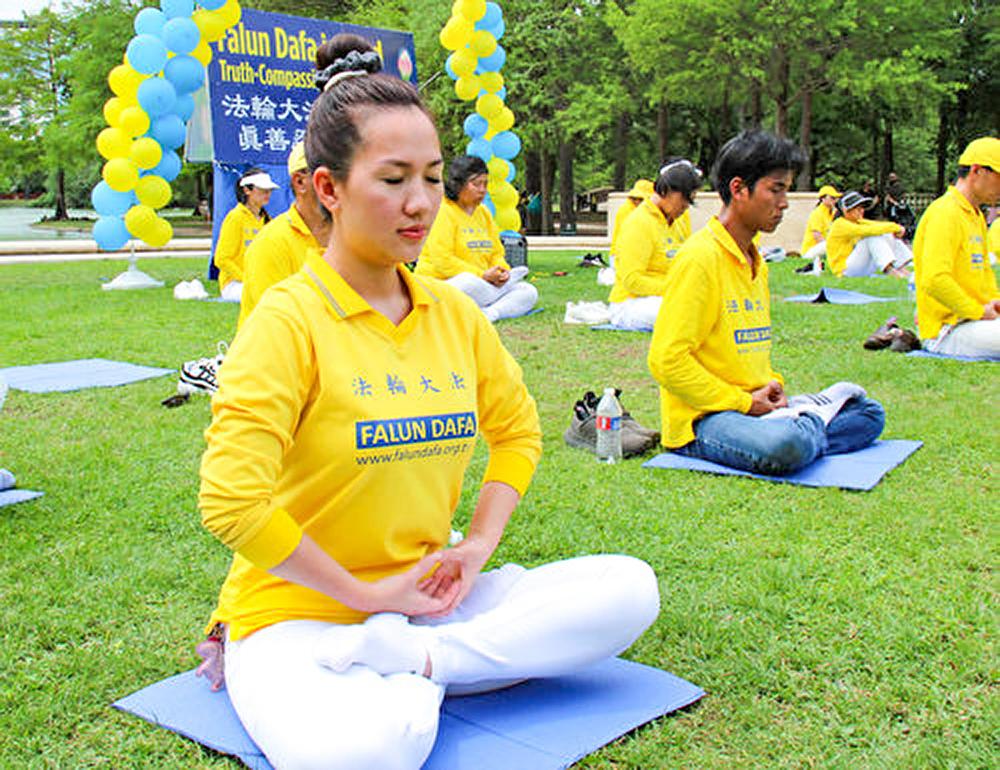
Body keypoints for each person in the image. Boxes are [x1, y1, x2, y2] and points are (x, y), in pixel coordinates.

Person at [196, 35, 660, 770]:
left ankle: (425, 663)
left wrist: (473, 549)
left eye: (433, 177)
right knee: (370, 752)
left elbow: (517, 433)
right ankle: (422, 665)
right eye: (392, 179)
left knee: (629, 590)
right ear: (329, 188)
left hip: (429, 595)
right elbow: (231, 505)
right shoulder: (287, 321)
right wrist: (363, 592)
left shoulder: (455, 314)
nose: (420, 204)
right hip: (297, 615)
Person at [647, 131, 885, 475]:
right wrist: (743, 402)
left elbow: (745, 349)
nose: (784, 203)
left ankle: (805, 418)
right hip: (704, 419)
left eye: (786, 190)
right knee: (787, 445)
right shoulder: (700, 258)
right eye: (776, 190)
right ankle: (810, 420)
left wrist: (769, 386)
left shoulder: (754, 260)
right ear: (738, 189)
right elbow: (666, 361)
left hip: (754, 406)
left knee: (869, 415)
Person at [414, 155, 538, 321]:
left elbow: (496, 252)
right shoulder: (442, 211)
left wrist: (501, 271)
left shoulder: (484, 213)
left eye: (485, 184)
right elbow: (442, 261)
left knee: (528, 291)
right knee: (468, 282)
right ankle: (487, 301)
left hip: (484, 283)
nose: (482, 190)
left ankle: (489, 313)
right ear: (458, 185)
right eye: (476, 184)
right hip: (444, 284)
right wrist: (482, 275)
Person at [911, 136, 1000, 358]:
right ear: (977, 171)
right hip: (949, 330)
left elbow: (981, 275)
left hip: (974, 321)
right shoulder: (945, 212)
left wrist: (993, 302)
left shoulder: (975, 215)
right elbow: (935, 279)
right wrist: (978, 311)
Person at [237, 142, 331, 328]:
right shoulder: (271, 244)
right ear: (300, 182)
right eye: (332, 177)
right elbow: (273, 329)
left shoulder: (358, 237)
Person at [606, 159, 701, 331]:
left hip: (666, 295)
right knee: (683, 312)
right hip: (630, 304)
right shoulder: (639, 222)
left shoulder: (676, 222)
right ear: (669, 191)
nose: (687, 207)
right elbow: (632, 280)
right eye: (685, 199)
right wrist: (674, 288)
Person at [214, 168, 278, 302]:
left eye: (269, 190)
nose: (267, 194)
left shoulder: (267, 219)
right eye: (262, 189)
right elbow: (222, 258)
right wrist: (246, 278)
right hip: (235, 284)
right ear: (247, 190)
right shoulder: (235, 218)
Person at [825, 190, 912, 278]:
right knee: (871, 237)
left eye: (862, 208)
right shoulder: (839, 224)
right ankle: (889, 270)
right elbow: (867, 230)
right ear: (846, 210)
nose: (862, 211)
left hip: (858, 267)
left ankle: (901, 268)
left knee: (887, 234)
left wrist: (897, 228)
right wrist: (897, 228)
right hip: (844, 270)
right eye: (858, 209)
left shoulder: (857, 221)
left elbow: (878, 225)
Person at [609, 178, 654, 266]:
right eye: (635, 198)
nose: (637, 201)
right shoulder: (628, 211)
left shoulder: (634, 209)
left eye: (641, 199)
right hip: (623, 254)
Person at [798, 184, 840, 273]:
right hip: (810, 252)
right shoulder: (817, 213)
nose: (835, 200)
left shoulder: (832, 213)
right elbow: (817, 236)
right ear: (823, 199)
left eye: (835, 198)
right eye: (832, 197)